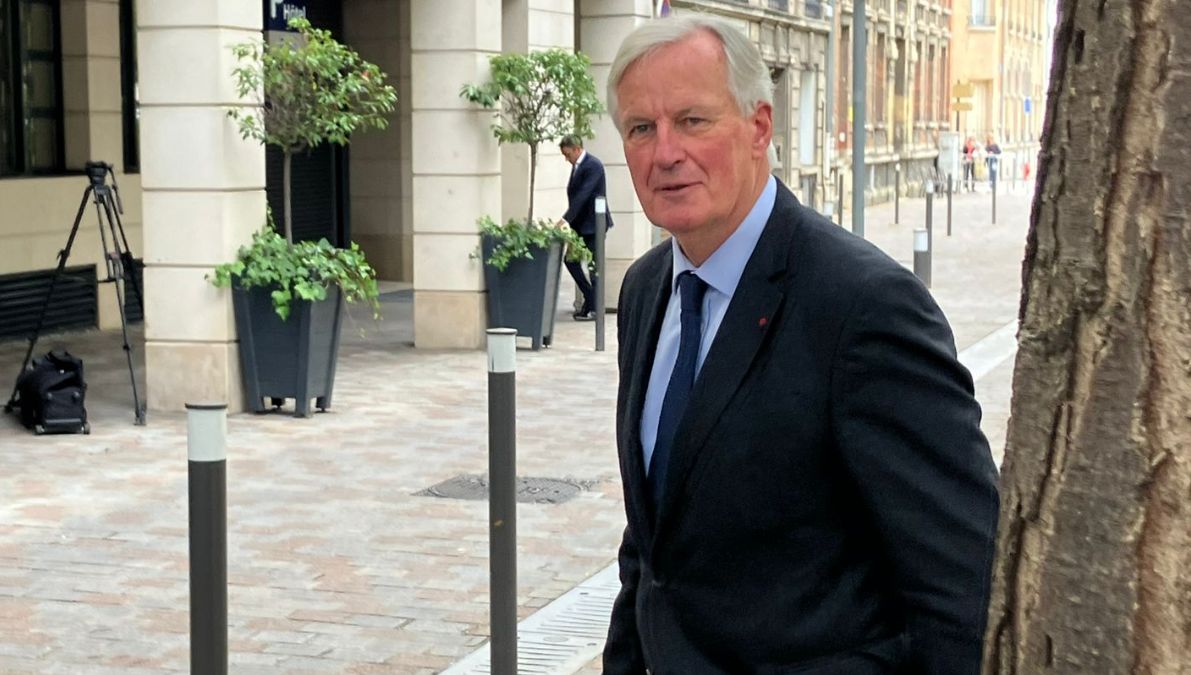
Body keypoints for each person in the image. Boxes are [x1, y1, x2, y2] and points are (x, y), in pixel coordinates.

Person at [603, 15, 999, 675]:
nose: (665, 152)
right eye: (641, 128)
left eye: (693, 121)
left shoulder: (862, 305)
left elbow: (960, 580)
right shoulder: (646, 291)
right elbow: (653, 541)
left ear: (759, 127)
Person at [559, 135, 613, 321]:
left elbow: (583, 195)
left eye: (567, 155)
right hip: (580, 227)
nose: (566, 159)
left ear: (576, 149)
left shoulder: (593, 166)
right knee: (570, 261)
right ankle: (591, 300)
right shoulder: (578, 166)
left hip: (593, 226)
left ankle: (594, 308)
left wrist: (565, 219)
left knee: (593, 268)